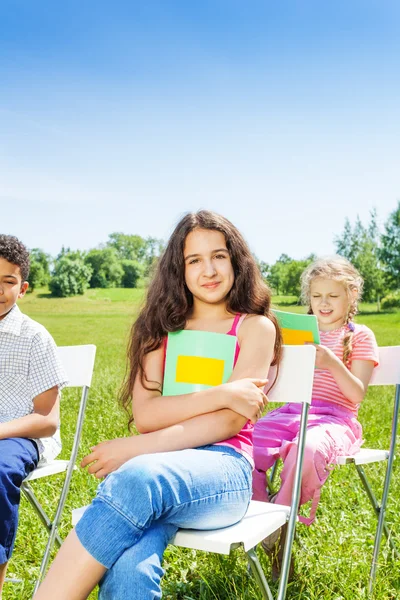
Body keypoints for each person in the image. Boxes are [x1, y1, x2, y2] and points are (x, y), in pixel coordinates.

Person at [35, 210, 282, 600]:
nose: (209, 269)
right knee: (130, 557)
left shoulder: (254, 327)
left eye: (219, 255)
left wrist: (134, 448)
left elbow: (229, 423)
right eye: (194, 260)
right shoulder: (162, 330)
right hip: (164, 466)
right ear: (178, 270)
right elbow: (148, 414)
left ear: (236, 260)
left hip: (223, 471)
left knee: (137, 478)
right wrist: (222, 392)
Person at [252, 256, 379, 579]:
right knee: (245, 438)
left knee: (307, 450)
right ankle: (260, 518)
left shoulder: (360, 336)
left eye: (333, 296)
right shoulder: (298, 333)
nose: (323, 303)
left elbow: (357, 394)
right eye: (317, 295)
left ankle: (279, 522)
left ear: (351, 295)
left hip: (335, 419)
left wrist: (332, 362)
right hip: (292, 412)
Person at [0, 235, 68, 597]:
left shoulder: (34, 337)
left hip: (24, 437)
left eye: (8, 281)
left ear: (22, 288)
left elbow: (47, 420)